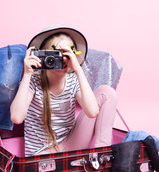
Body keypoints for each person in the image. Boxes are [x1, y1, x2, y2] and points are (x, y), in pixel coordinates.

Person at [10, 26, 117, 157]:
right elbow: (16, 117)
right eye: (55, 55)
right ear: (44, 56)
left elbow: (92, 111)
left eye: (66, 55)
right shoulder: (33, 81)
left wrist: (78, 69)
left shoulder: (72, 80)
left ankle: (101, 158)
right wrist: (27, 74)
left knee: (107, 92)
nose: (62, 60)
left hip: (71, 145)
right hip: (42, 155)